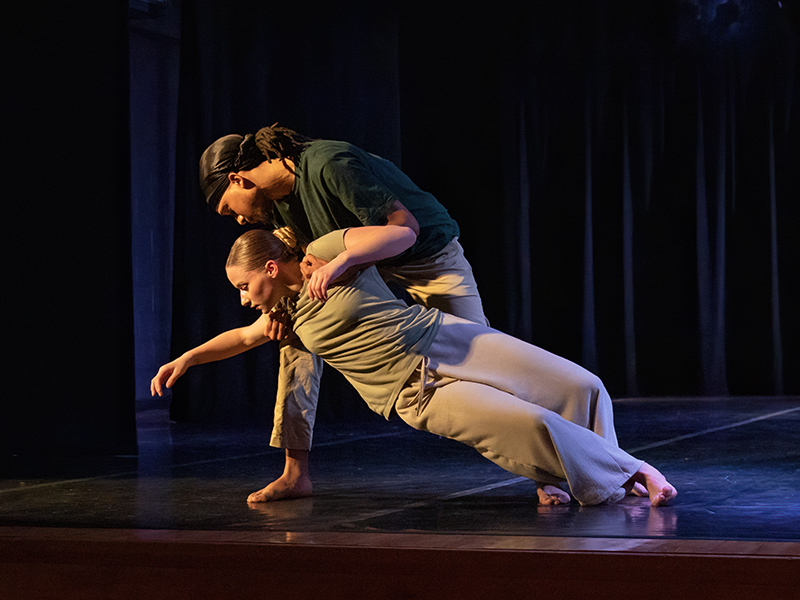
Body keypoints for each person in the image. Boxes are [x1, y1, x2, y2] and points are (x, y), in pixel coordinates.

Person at [152, 226, 677, 508]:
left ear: (270, 267)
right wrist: (187, 358)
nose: (244, 299)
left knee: (582, 385)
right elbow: (240, 338)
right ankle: (632, 470)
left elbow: (400, 233)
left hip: (444, 337)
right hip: (414, 390)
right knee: (531, 423)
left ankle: (594, 479)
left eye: (245, 286)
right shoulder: (284, 315)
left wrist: (341, 262)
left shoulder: (322, 251)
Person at [198, 124, 488, 501]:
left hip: (424, 255)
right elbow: (302, 261)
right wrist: (287, 308)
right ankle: (295, 473)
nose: (238, 220)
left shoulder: (329, 164)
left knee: (477, 352)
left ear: (238, 180)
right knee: (294, 337)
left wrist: (344, 263)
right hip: (356, 266)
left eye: (228, 208)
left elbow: (404, 228)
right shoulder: (275, 207)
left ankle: (545, 466)